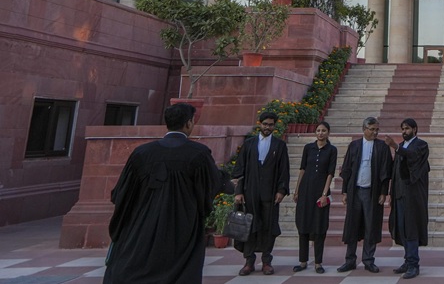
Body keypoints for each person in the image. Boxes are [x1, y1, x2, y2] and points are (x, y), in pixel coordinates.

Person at [104, 102, 222, 284]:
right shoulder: (198, 154)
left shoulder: (142, 153)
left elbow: (122, 193)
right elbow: (210, 186)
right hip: (181, 226)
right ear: (189, 123)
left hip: (142, 224)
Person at [233, 110, 291, 276]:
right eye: (265, 124)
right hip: (250, 193)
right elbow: (239, 169)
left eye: (271, 125)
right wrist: (238, 191)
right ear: (260, 124)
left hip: (270, 194)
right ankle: (249, 261)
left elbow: (284, 170)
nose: (267, 127)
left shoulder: (279, 145)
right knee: (250, 226)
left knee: (268, 227)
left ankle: (266, 261)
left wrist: (281, 190)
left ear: (274, 126)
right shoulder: (249, 144)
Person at [337, 116, 392, 273]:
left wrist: (383, 192)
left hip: (372, 193)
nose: (375, 132)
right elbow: (347, 170)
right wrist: (345, 191)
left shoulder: (382, 147)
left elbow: (385, 172)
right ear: (364, 129)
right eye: (372, 129)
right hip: (355, 191)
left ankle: (368, 259)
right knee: (352, 225)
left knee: (371, 225)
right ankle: (350, 259)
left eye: (377, 130)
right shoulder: (354, 146)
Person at [385, 118, 431, 280]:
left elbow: (413, 157)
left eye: (407, 129)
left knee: (411, 228)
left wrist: (395, 147)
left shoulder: (421, 145)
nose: (404, 131)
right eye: (402, 129)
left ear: (415, 129)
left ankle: (413, 264)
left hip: (412, 196)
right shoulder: (402, 146)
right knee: (401, 228)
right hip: (399, 194)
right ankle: (407, 260)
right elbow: (395, 173)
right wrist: (391, 193)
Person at [292, 121, 338, 274]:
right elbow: (302, 169)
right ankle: (303, 261)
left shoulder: (332, 150)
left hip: (320, 193)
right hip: (305, 191)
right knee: (303, 225)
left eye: (323, 130)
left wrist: (325, 194)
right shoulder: (308, 148)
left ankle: (318, 262)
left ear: (328, 132)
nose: (320, 133)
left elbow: (330, 173)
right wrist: (297, 190)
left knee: (319, 227)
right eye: (318, 130)